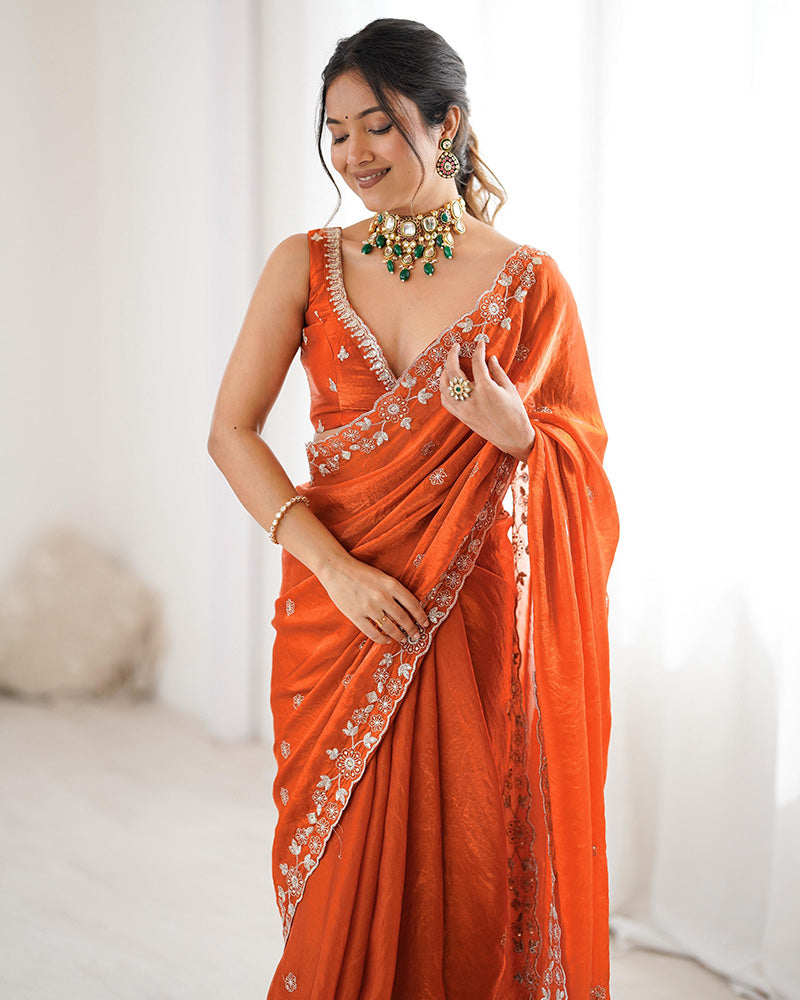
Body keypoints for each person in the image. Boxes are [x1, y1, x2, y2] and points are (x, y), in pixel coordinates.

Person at [207, 17, 619, 1000]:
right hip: (335, 614)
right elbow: (231, 432)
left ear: (447, 124)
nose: (354, 153)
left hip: (466, 624)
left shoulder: (528, 284)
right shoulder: (304, 262)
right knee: (340, 889)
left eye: (378, 125)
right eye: (336, 130)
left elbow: (583, 470)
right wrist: (337, 571)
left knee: (467, 877)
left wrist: (521, 436)